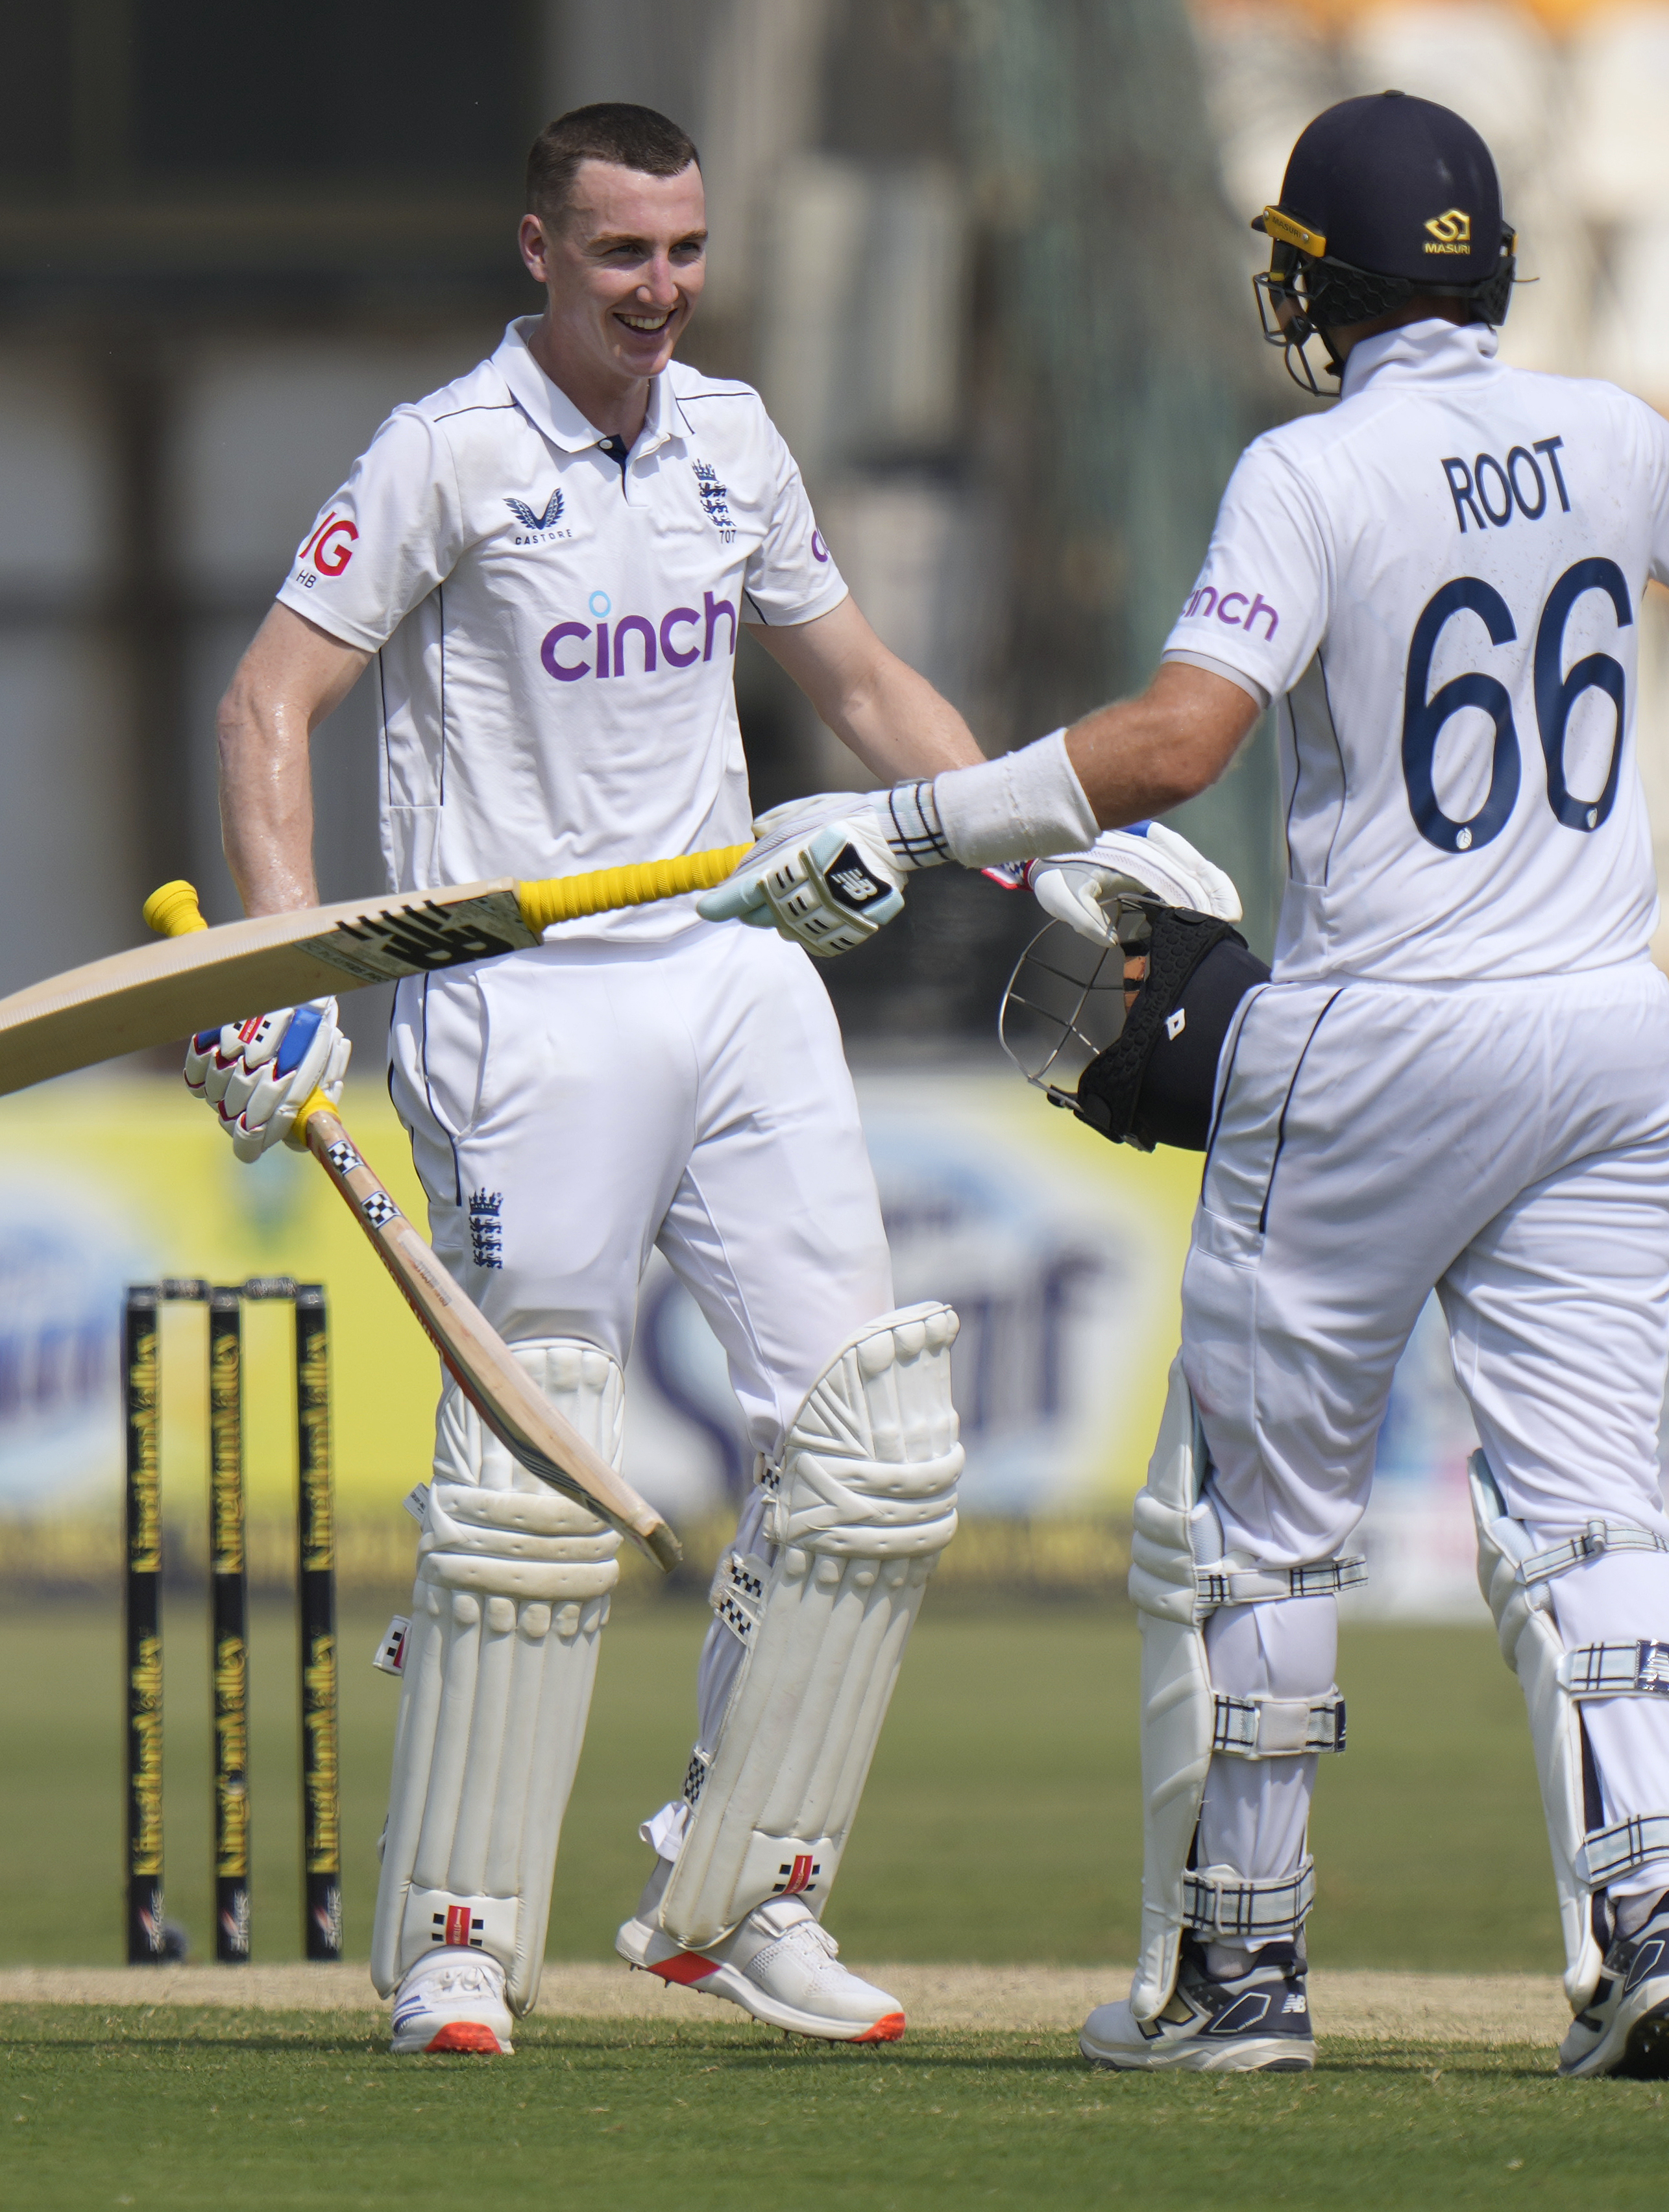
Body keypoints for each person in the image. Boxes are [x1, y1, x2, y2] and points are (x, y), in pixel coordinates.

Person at [705, 91, 1669, 2079]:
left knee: (1261, 1522)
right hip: (1605, 1029)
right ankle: (1661, 1905)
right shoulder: (1613, 434)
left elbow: (1168, 750)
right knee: (1595, 1508)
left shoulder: (1310, 474)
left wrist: (906, 820)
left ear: (1324, 281)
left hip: (1388, 1033)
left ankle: (1241, 1981)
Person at [193, 103, 1128, 2059]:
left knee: (872, 1452)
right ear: (538, 248)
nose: (661, 288)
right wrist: (281, 971)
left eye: (685, 248)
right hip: (516, 992)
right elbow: (273, 696)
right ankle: (457, 1933)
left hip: (730, 967)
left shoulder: (737, 437)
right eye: (622, 253)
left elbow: (865, 688)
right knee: (533, 1477)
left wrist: (1042, 849)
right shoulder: (446, 451)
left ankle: (745, 1877)